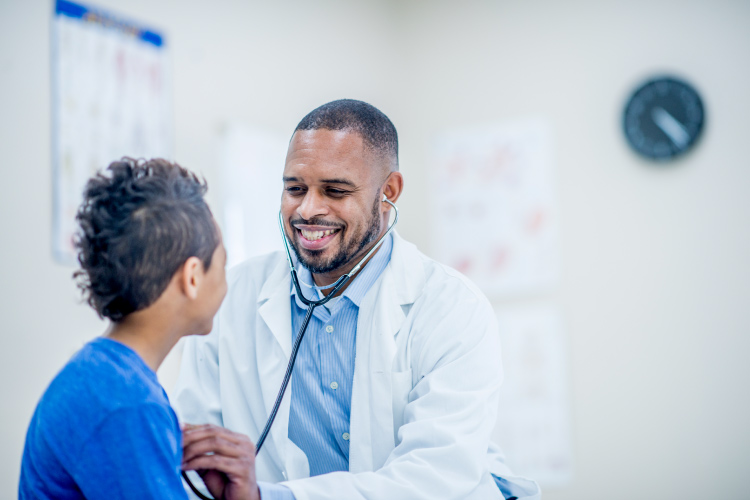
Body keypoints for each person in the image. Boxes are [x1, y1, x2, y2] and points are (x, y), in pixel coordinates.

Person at [173, 100, 541, 500]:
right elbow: (195, 457)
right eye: (295, 189)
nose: (309, 209)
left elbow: (434, 477)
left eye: (335, 190)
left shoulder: (452, 309)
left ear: (389, 192)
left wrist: (271, 497)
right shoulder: (230, 298)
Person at [19, 158, 257, 500]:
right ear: (192, 278)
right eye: (223, 261)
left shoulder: (104, 375)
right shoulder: (126, 405)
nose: (227, 279)